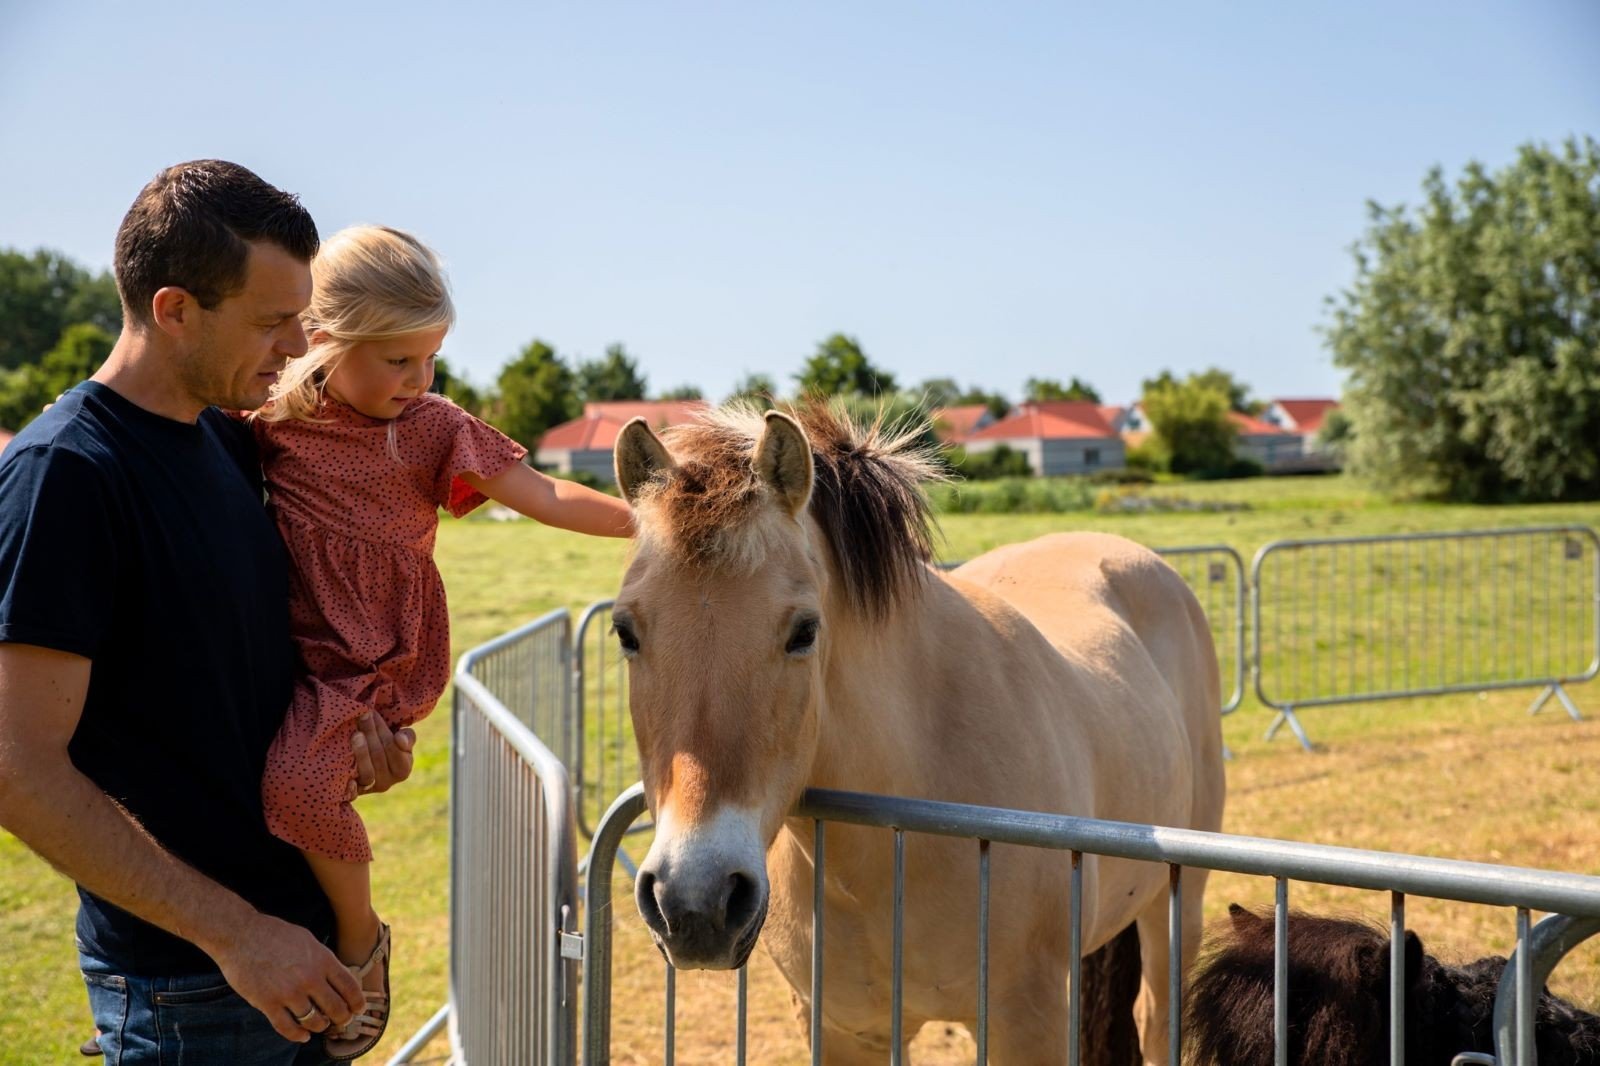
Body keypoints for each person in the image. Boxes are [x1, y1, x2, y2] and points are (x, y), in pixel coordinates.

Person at [0, 160, 416, 1065]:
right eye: (272, 322)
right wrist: (237, 935)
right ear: (175, 308)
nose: (299, 344)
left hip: (294, 962)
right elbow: (17, 766)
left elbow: (227, 696)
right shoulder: (66, 474)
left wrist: (349, 748)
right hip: (193, 987)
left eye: (301, 318)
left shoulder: (230, 441)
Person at [250, 223, 632, 1058]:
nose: (419, 380)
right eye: (397, 360)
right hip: (295, 645)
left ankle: (360, 938)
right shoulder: (270, 419)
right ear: (323, 339)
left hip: (371, 654)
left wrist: (653, 522)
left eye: (432, 359)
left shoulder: (429, 427)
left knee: (296, 787)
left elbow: (550, 496)